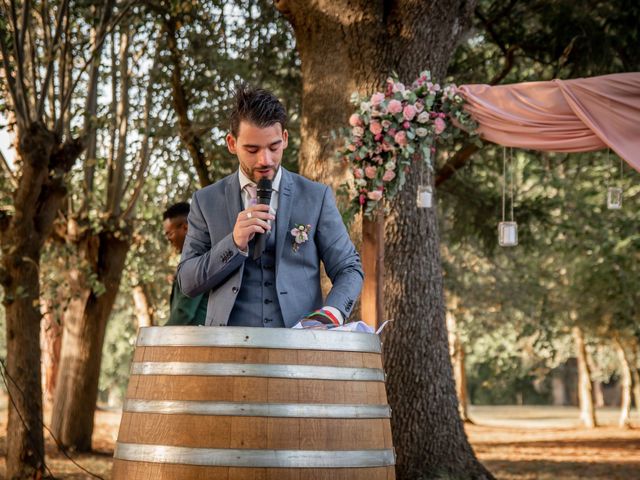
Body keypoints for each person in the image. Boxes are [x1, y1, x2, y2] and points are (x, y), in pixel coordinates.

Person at [177, 85, 363, 327]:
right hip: (228, 350)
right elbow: (187, 282)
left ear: (284, 139)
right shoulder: (206, 201)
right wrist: (233, 243)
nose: (265, 160)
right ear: (232, 143)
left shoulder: (315, 197)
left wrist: (331, 314)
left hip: (298, 346)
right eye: (252, 149)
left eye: (273, 147)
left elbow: (349, 267)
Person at [163, 202, 208, 326]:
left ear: (185, 227)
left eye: (169, 233)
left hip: (196, 340)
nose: (168, 239)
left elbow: (184, 311)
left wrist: (161, 338)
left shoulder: (197, 258)